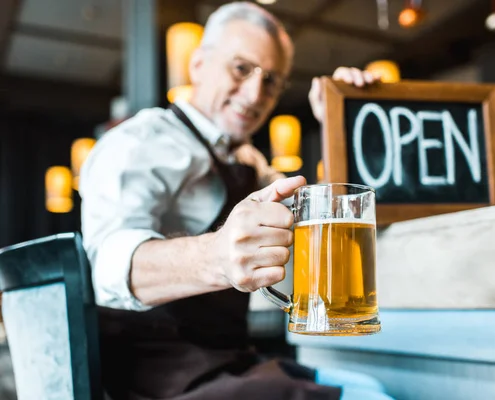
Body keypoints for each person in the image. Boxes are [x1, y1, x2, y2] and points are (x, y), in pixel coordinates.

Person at [80, 2, 394, 400]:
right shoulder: (140, 141)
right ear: (198, 64)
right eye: (241, 69)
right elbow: (104, 266)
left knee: (369, 387)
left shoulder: (250, 163)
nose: (255, 94)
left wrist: (339, 120)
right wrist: (215, 256)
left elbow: (327, 212)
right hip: (153, 382)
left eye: (272, 81)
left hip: (228, 364)